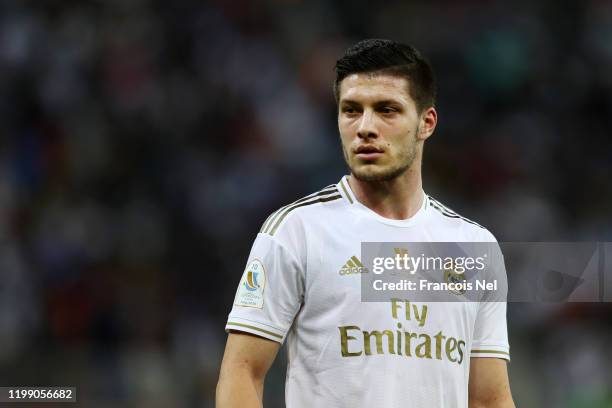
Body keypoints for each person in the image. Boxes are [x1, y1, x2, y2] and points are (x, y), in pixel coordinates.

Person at [216, 39, 514, 408]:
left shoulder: (473, 247)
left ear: (426, 123)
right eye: (351, 110)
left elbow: (489, 399)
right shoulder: (296, 231)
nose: (365, 127)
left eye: (387, 110)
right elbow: (243, 370)